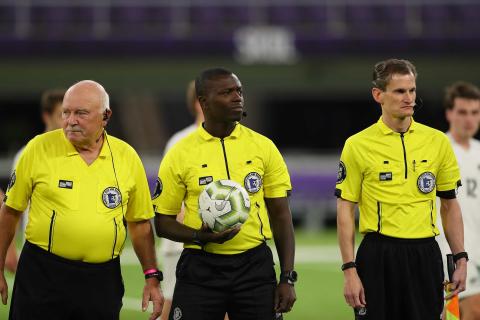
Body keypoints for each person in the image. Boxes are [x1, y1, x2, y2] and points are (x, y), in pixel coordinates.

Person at [0, 80, 164, 320]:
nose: (70, 120)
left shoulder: (127, 157)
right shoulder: (38, 149)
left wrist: (151, 276)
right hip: (42, 275)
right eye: (66, 112)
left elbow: (139, 225)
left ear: (105, 116)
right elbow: (11, 211)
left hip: (101, 280)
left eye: (81, 113)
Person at [153, 68, 297, 320]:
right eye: (227, 92)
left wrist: (287, 277)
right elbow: (163, 222)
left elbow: (281, 216)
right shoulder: (179, 152)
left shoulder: (263, 147)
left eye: (239, 91)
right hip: (200, 266)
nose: (237, 97)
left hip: (254, 268)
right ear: (204, 102)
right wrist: (201, 236)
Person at [336, 59, 468, 320]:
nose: (409, 98)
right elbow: (345, 209)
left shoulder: (438, 142)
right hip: (378, 256)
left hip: (425, 255)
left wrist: (460, 258)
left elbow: (450, 204)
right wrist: (349, 270)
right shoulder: (357, 145)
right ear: (378, 95)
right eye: (399, 91)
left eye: (412, 90)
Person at [6, 88, 66, 274]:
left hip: (72, 258)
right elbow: (13, 207)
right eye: (61, 114)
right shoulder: (28, 155)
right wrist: (9, 250)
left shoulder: (80, 156)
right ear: (46, 116)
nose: (67, 121)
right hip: (37, 257)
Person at [159, 80, 204, 320]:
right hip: (181, 243)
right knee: (171, 304)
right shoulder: (179, 142)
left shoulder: (232, 141)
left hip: (216, 244)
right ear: (198, 103)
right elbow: (169, 199)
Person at [436, 81, 480, 320]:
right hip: (446, 254)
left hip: (476, 254)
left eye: (475, 112)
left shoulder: (479, 152)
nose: (469, 119)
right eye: (462, 112)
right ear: (449, 113)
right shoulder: (438, 150)